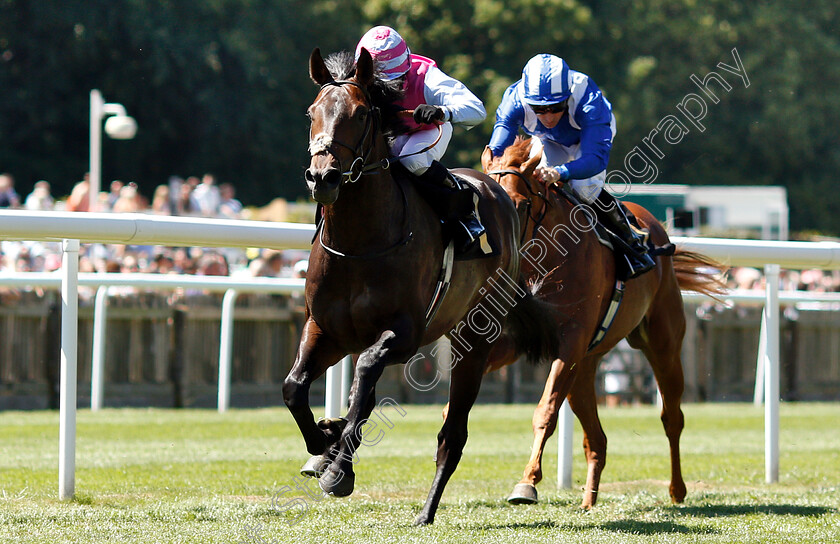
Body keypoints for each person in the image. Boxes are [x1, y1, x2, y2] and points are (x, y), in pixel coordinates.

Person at [488, 53, 655, 277]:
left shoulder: (589, 101)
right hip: (548, 141)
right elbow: (497, 150)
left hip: (587, 142)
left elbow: (595, 159)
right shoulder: (515, 101)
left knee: (582, 188)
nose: (548, 116)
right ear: (528, 101)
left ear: (567, 98)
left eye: (556, 107)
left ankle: (631, 239)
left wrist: (560, 171)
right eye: (539, 109)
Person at [355, 25, 488, 254]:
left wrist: (441, 111)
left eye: (391, 82)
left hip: (427, 130)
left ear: (405, 69)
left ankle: (464, 211)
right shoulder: (357, 77)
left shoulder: (428, 77)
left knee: (410, 160)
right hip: (392, 133)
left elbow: (478, 110)